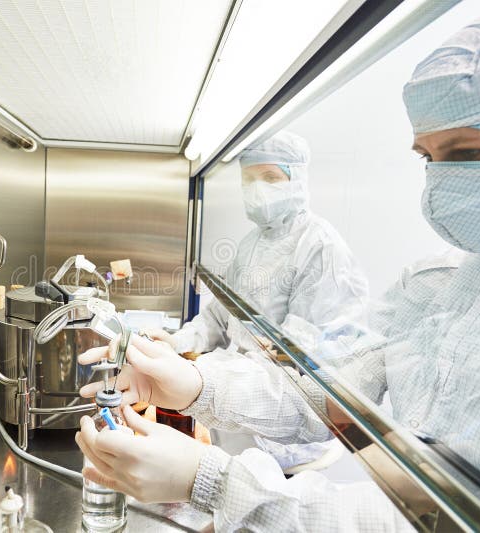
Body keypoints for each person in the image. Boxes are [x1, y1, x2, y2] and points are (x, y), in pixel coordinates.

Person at [76, 1, 480, 530]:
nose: (441, 184)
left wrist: (213, 482)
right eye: (428, 157)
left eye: (468, 153)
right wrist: (195, 383)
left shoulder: (323, 248)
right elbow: (328, 386)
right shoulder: (442, 282)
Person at [150, 131, 369, 468]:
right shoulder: (252, 244)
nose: (258, 190)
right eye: (249, 180)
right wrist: (177, 342)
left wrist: (197, 374)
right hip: (235, 406)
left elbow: (296, 363)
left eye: (270, 178)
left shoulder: (320, 249)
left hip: (282, 438)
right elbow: (219, 315)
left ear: (297, 179)